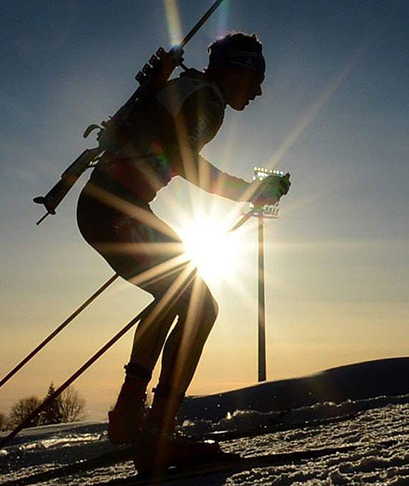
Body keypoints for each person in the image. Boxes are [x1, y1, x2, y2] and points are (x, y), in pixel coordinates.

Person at [76, 33, 290, 471]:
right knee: (199, 303)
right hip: (116, 205)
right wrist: (252, 190)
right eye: (257, 78)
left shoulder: (188, 89)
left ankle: (132, 412)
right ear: (238, 70)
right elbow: (183, 161)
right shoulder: (206, 100)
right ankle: (155, 432)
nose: (260, 91)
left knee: (176, 295)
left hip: (110, 204)